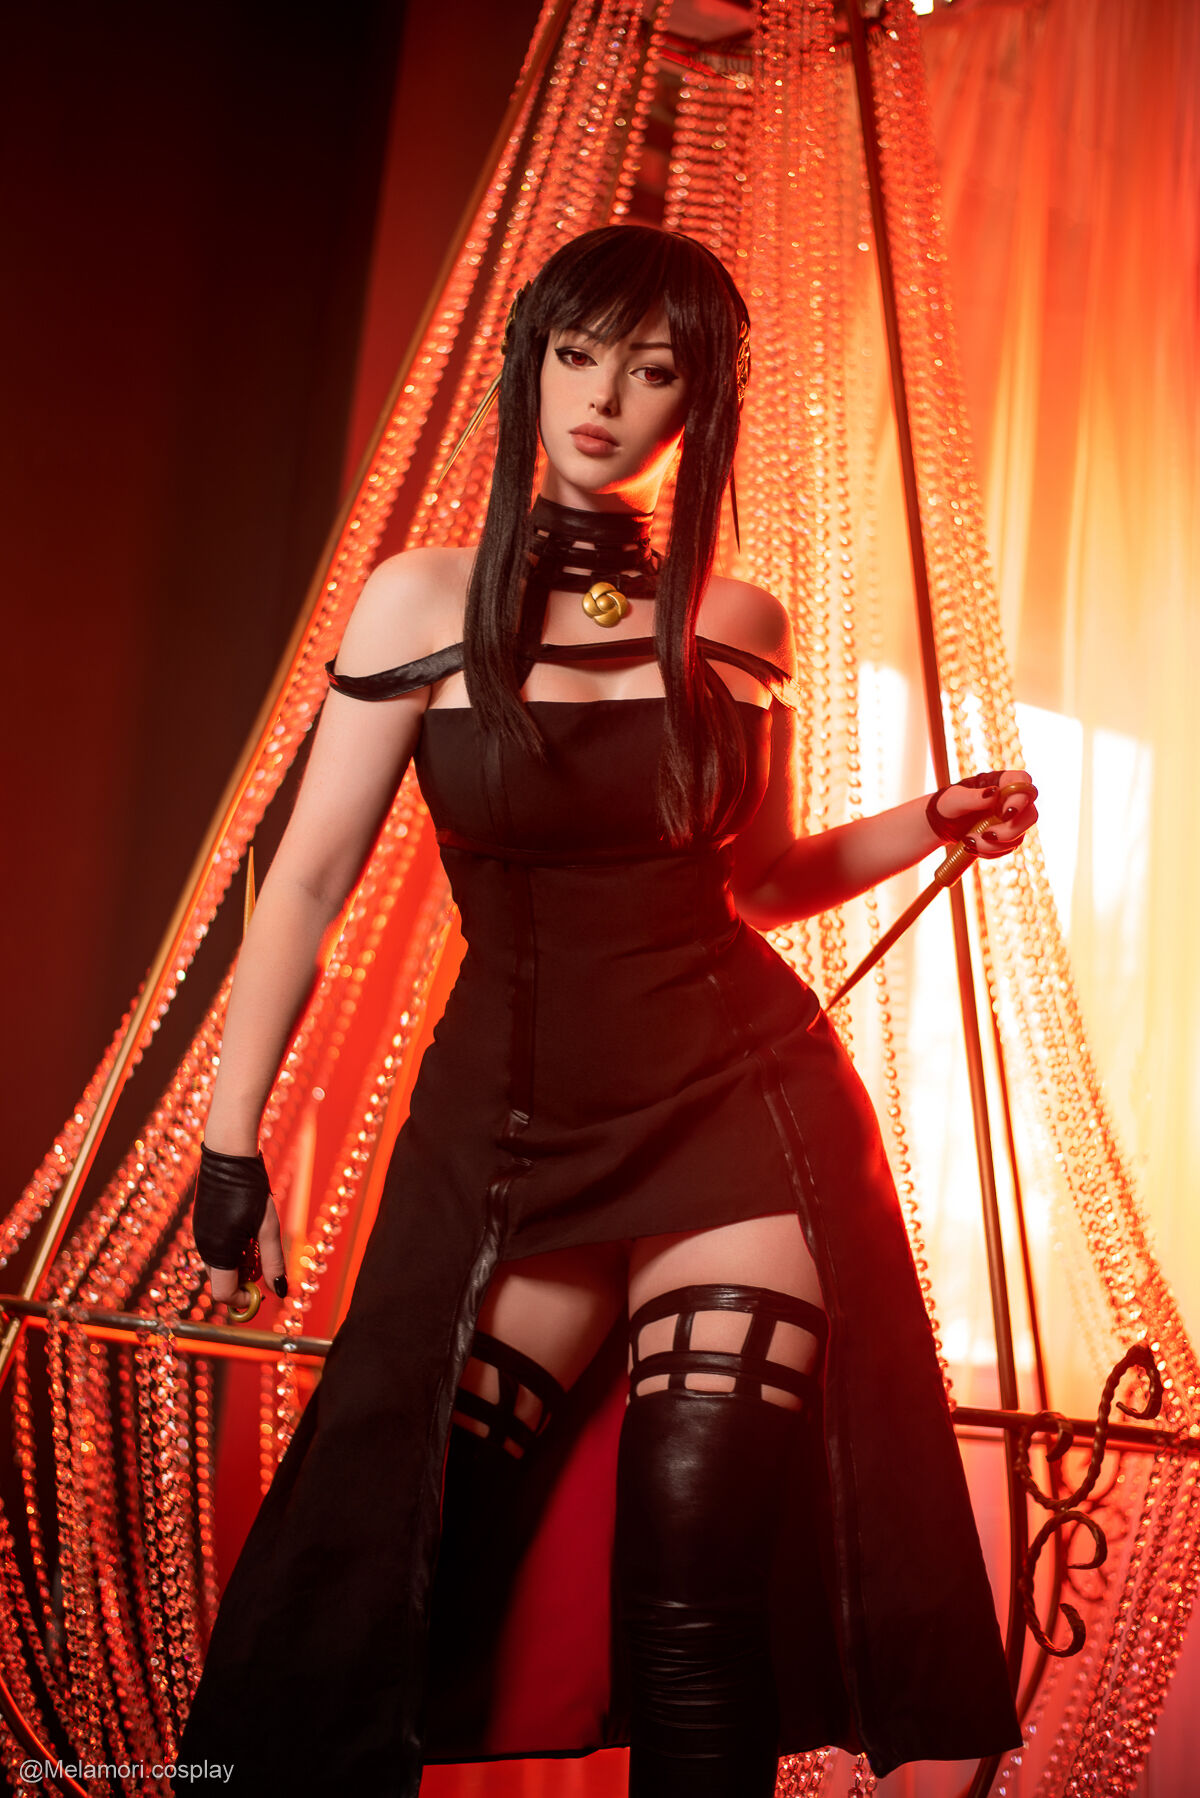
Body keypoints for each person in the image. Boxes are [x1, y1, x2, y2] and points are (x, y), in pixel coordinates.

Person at [178, 225, 1031, 1797]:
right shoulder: (419, 601)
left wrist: (932, 820)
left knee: (698, 1563)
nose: (605, 399)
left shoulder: (736, 623)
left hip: (741, 1109)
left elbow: (760, 881)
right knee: (397, 1548)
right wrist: (229, 1148)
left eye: (653, 372)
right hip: (512, 1133)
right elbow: (301, 884)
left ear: (698, 405)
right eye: (579, 356)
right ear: (530, 367)